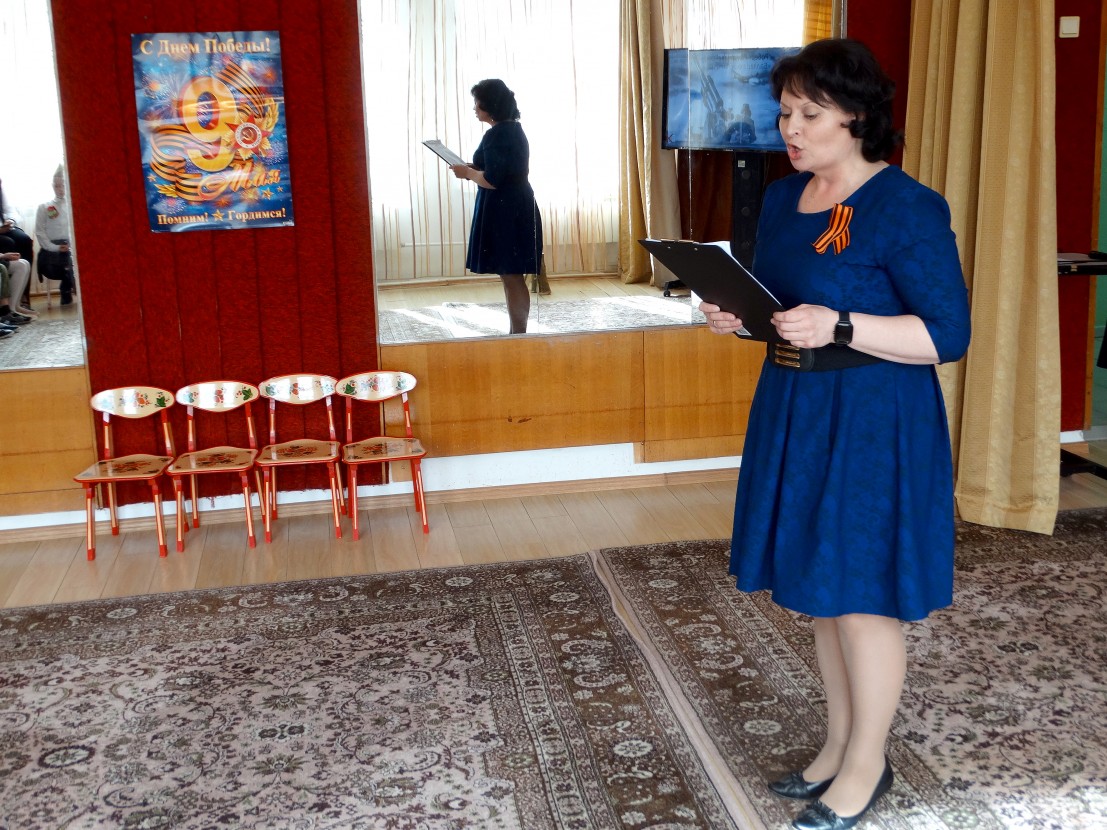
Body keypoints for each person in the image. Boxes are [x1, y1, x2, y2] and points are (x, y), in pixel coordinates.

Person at [699, 39, 970, 830]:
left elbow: (944, 335)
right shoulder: (784, 199)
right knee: (823, 592)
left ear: (855, 117)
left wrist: (842, 323)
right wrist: (741, 317)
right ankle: (838, 745)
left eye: (809, 114)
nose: (790, 128)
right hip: (795, 406)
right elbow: (786, 308)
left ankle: (866, 766)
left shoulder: (906, 207)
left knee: (861, 600)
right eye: (785, 112)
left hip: (873, 419)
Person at [450, 79, 542, 334]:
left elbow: (492, 180)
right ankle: (516, 333)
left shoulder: (498, 134)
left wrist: (468, 173)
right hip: (514, 206)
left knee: (511, 275)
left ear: (490, 104)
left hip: (506, 211)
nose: (474, 108)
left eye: (477, 102)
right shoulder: (511, 129)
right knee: (511, 274)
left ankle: (518, 335)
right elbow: (500, 169)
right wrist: (471, 169)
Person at [35, 165, 76, 305]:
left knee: (71, 259)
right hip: (51, 253)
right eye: (57, 186)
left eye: (63, 185)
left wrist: (71, 246)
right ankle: (68, 288)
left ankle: (67, 288)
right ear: (52, 186)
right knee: (66, 261)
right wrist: (55, 247)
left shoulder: (74, 205)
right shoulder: (44, 207)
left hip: (71, 249)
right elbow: (40, 232)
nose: (60, 189)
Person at [0, 175, 37, 311]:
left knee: (25, 240)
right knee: (9, 243)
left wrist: (10, 221)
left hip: (4, 227)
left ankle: (23, 296)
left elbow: (11, 210)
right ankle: (7, 300)